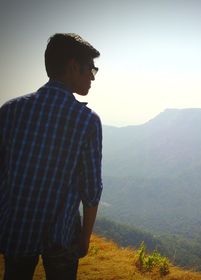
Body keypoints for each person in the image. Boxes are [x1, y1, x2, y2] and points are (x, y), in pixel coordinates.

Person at [0, 33, 103, 280]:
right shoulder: (86, 121)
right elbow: (90, 190)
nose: (92, 76)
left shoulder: (9, 110)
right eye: (91, 68)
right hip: (60, 236)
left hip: (16, 229)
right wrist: (85, 238)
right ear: (72, 66)